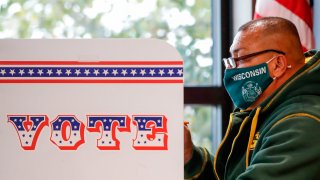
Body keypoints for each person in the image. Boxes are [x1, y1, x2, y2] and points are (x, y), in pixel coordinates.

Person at [184, 17, 320, 179]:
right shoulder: (269, 111)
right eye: (231, 61)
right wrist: (189, 157)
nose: (231, 71)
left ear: (277, 65)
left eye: (241, 59)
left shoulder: (302, 122)